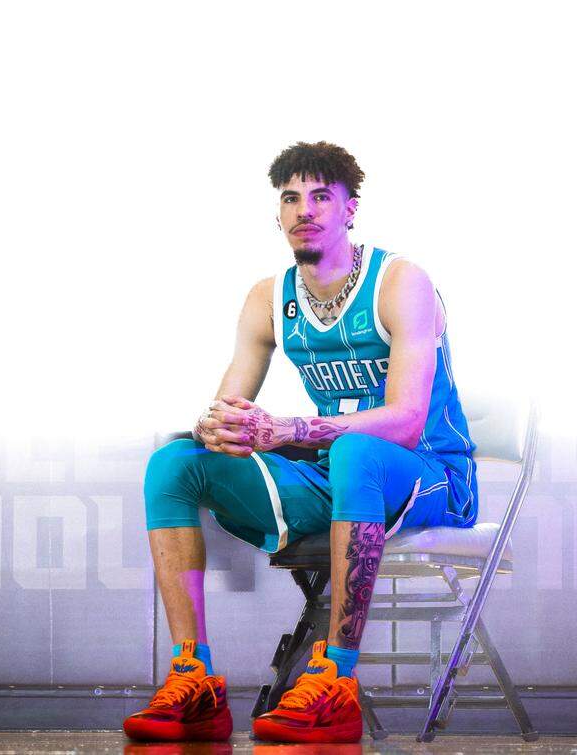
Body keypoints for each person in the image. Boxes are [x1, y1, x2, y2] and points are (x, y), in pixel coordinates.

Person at [122, 141, 477, 744]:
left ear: (349, 209)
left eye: (320, 197)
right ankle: (195, 680)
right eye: (291, 198)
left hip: (429, 474)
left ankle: (335, 680)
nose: (303, 210)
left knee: (355, 451)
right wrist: (218, 426)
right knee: (174, 463)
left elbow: (407, 421)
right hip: (335, 474)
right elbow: (228, 404)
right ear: (278, 213)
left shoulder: (400, 282)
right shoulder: (268, 297)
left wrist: (287, 431)